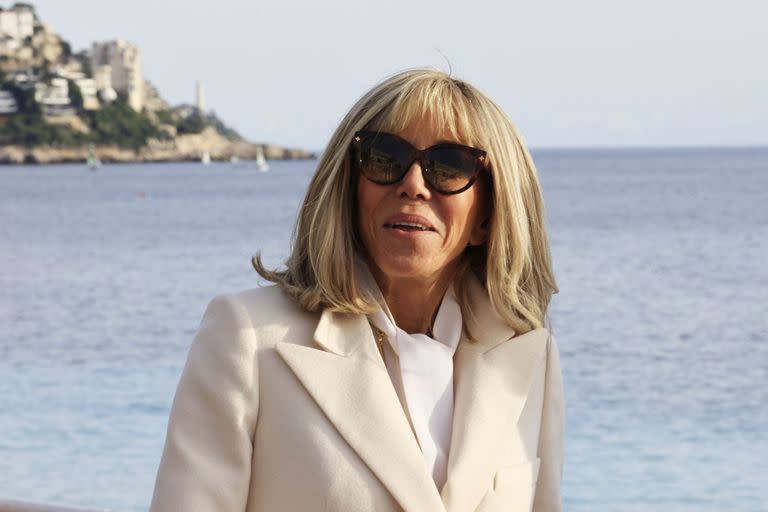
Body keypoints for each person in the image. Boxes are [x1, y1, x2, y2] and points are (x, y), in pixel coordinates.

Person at [150, 68, 564, 512]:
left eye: (448, 167)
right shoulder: (250, 338)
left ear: (489, 214)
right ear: (350, 188)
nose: (413, 184)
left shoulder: (530, 354)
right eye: (385, 157)